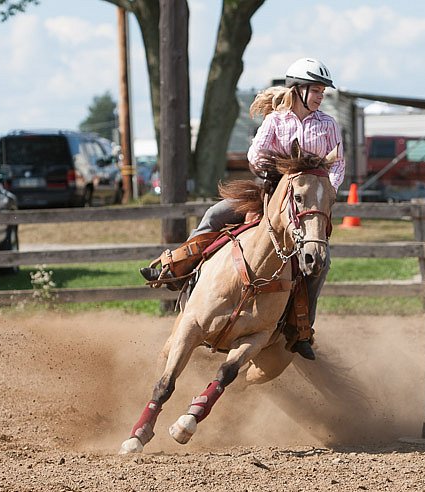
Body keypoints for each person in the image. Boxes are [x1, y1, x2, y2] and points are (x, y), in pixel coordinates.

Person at [140, 57, 345, 360]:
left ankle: (302, 328)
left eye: (321, 92)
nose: (319, 96)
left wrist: (326, 193)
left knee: (320, 265)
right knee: (215, 215)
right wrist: (270, 168)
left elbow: (338, 164)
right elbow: (255, 154)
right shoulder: (276, 120)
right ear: (298, 90)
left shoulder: (328, 125)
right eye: (315, 90)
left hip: (306, 206)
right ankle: (178, 270)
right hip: (269, 193)